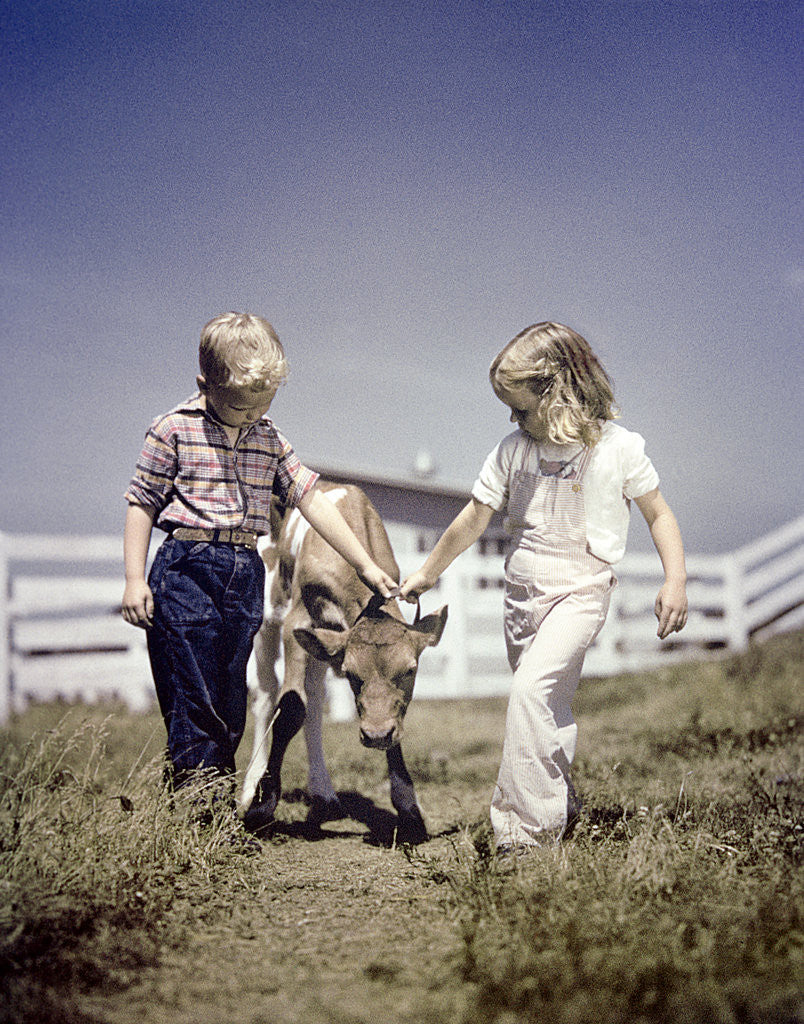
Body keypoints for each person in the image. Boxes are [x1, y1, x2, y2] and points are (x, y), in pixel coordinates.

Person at [399, 321, 688, 850]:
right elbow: (472, 519)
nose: (513, 417)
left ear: (557, 392)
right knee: (543, 707)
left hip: (581, 592)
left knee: (531, 693)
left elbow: (660, 514)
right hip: (522, 598)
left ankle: (522, 835)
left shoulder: (618, 449)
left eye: (521, 407)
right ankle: (560, 803)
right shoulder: (513, 450)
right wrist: (427, 572)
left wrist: (676, 578)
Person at [122, 312, 396, 799]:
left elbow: (310, 498)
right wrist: (134, 579)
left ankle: (207, 793)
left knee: (231, 694)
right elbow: (142, 502)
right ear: (205, 384)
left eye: (263, 405)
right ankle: (198, 807)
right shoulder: (171, 430)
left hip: (244, 569)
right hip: (187, 565)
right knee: (193, 686)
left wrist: (364, 563)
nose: (252, 416)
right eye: (240, 407)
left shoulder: (267, 437)